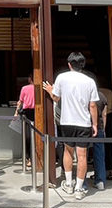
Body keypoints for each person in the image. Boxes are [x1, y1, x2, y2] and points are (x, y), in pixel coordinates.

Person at [42, 52, 98, 200]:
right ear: (83, 64)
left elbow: (56, 97)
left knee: (68, 152)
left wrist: (49, 91)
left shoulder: (62, 77)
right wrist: (95, 124)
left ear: (69, 64)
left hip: (67, 121)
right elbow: (92, 105)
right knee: (82, 155)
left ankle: (68, 184)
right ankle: (79, 188)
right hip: (84, 122)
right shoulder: (90, 81)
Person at [15, 76, 36, 169]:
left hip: (27, 112)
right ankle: (34, 157)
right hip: (37, 112)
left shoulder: (24, 88)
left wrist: (16, 112)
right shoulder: (39, 88)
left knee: (27, 136)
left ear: (30, 79)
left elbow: (20, 102)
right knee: (36, 136)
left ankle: (29, 159)